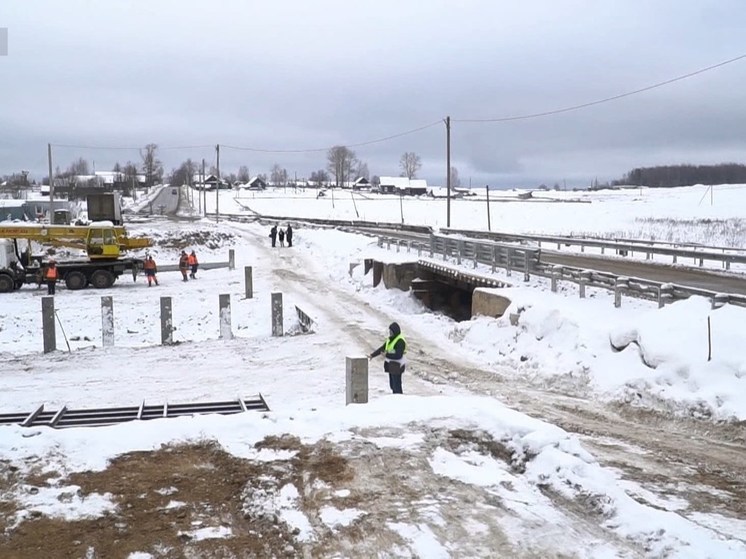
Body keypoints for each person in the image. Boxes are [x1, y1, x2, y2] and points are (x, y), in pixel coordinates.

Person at [368, 322, 407, 394]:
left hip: (398, 365)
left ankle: (399, 401)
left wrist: (386, 355)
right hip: (391, 365)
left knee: (397, 387)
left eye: (391, 331)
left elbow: (398, 355)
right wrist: (372, 355)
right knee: (392, 386)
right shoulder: (390, 339)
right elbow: (382, 348)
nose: (390, 333)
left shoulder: (400, 341)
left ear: (395, 331)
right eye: (389, 331)